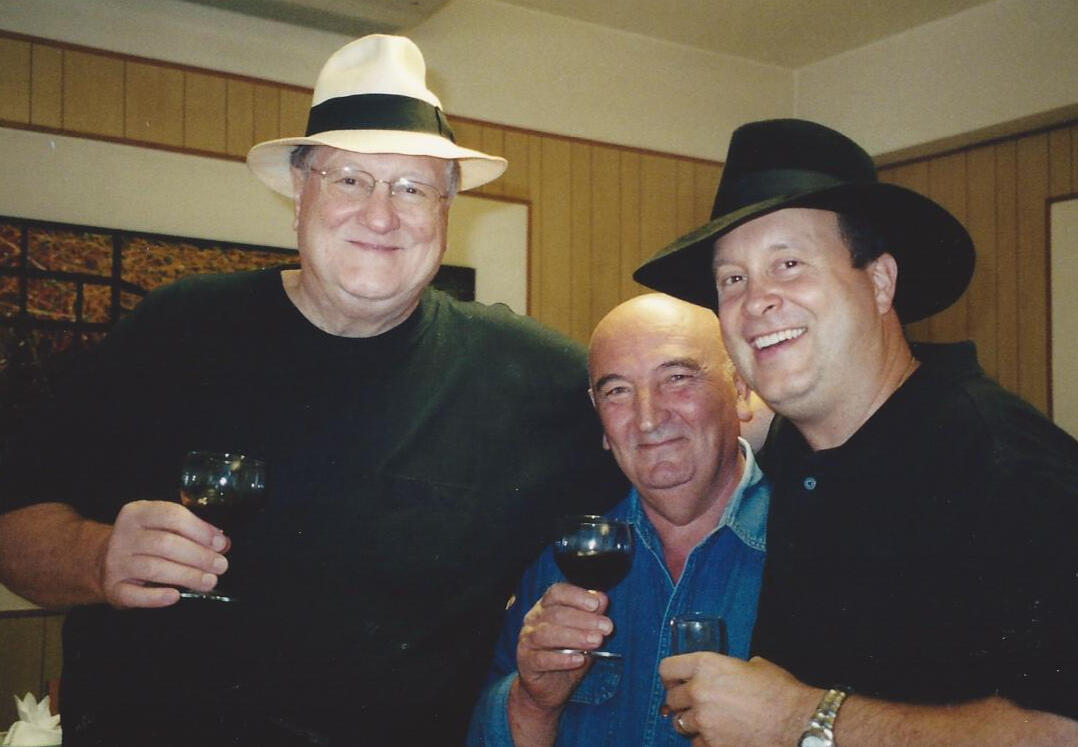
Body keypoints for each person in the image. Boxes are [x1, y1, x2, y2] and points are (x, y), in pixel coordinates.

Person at [0, 35, 624, 745]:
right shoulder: (177, 328)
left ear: (448, 208)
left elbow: (674, 442)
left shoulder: (529, 376)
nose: (382, 215)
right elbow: (14, 527)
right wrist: (97, 555)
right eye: (350, 178)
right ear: (300, 188)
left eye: (413, 186)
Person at [633, 118, 1078, 745]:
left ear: (878, 281)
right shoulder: (794, 448)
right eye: (732, 279)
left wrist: (795, 720)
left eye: (788, 264)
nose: (755, 301)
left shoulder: (1006, 465)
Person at [467, 293, 770, 745]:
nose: (648, 418)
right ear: (600, 421)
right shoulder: (560, 566)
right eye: (618, 391)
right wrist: (534, 701)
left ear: (741, 390)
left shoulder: (820, 547)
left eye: (678, 378)